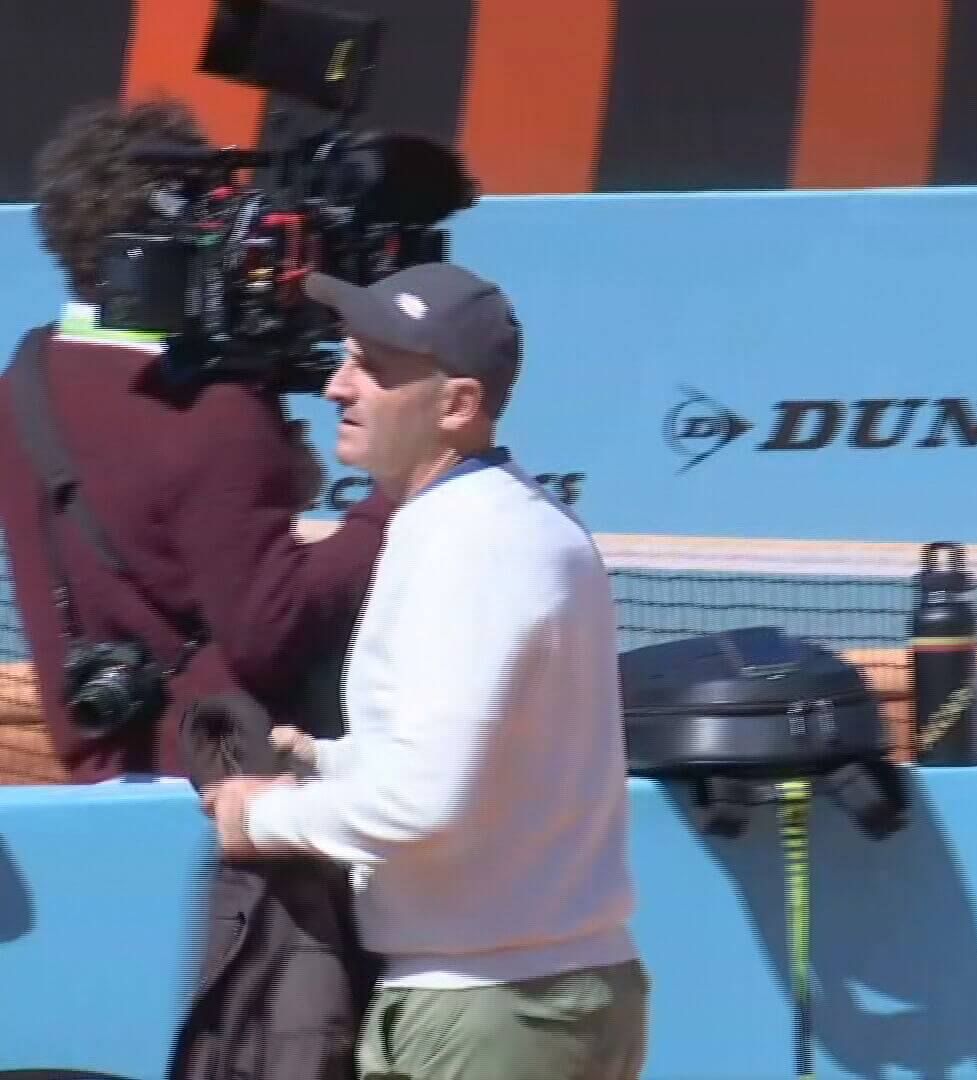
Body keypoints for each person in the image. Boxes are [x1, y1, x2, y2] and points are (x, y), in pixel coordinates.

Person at [199, 262, 649, 1079]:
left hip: (490, 1008)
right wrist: (328, 760)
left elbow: (423, 799)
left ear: (457, 405)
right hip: (530, 993)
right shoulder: (505, 523)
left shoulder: (468, 544)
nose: (337, 387)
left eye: (373, 367)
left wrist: (260, 817)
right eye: (345, 359)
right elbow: (489, 768)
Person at [0, 96, 395, 783]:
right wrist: (394, 505)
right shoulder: (216, 411)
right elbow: (270, 631)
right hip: (225, 788)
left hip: (99, 771)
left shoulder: (25, 378)